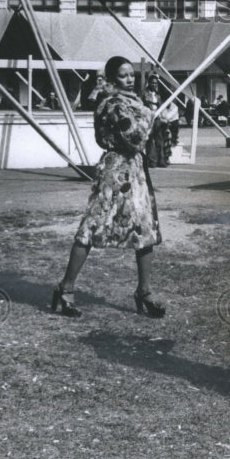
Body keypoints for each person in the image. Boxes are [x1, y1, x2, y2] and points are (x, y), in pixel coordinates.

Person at [52, 56, 165, 319]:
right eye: (124, 76)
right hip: (116, 171)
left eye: (131, 75)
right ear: (113, 79)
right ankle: (65, 289)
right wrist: (150, 115)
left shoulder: (133, 102)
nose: (130, 79)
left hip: (135, 171)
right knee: (92, 226)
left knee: (145, 228)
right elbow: (134, 138)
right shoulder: (112, 104)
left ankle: (144, 292)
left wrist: (147, 113)